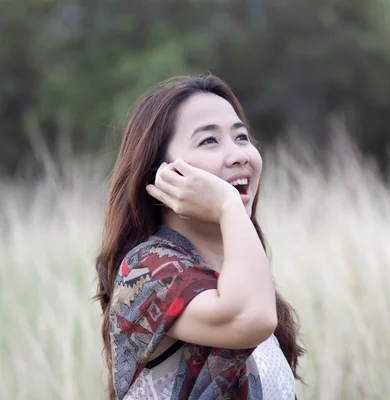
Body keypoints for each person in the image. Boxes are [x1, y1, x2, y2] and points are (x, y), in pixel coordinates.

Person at [94, 74, 305, 400]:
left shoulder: (239, 274)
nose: (239, 155)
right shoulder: (147, 270)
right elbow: (252, 318)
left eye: (242, 137)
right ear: (162, 173)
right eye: (209, 140)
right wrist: (227, 206)